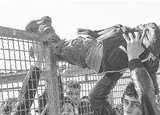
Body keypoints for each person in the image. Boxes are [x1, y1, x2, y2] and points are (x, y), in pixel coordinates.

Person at [25, 17, 160, 95]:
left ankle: (39, 45)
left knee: (56, 52)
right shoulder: (150, 34)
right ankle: (44, 27)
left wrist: (156, 95)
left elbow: (152, 75)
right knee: (57, 46)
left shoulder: (148, 52)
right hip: (90, 50)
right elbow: (154, 36)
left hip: (91, 58)